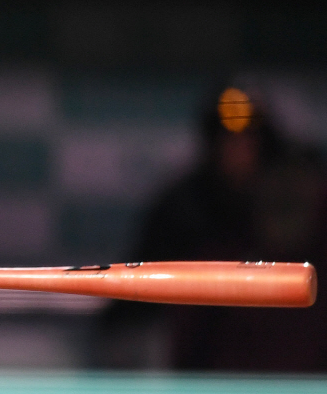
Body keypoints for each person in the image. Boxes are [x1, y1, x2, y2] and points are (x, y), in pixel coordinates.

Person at [106, 85, 327, 372]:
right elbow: (134, 309)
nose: (239, 150)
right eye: (228, 140)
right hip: (208, 373)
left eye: (250, 140)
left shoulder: (294, 202)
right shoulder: (185, 209)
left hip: (300, 372)